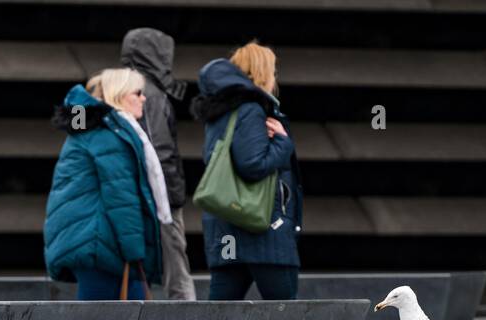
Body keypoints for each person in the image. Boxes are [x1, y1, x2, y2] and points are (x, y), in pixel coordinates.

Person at [44, 69, 170, 300]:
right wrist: (135, 253)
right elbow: (122, 197)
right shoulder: (108, 135)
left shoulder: (100, 130)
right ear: (119, 94)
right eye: (137, 92)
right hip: (98, 244)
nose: (143, 98)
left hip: (93, 241)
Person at [191, 41, 303, 300]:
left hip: (228, 227)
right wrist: (283, 143)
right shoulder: (250, 110)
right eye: (273, 71)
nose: (274, 78)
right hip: (263, 230)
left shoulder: (222, 112)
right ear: (262, 72)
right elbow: (253, 165)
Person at [121, 28, 196, 301]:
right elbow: (159, 149)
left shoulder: (127, 86)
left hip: (138, 197)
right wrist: (172, 198)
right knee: (176, 269)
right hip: (160, 199)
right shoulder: (150, 93)